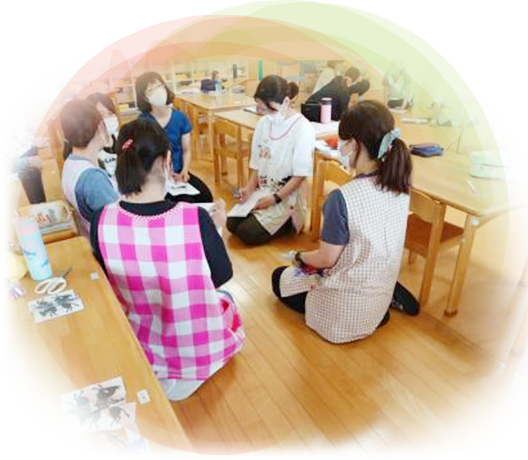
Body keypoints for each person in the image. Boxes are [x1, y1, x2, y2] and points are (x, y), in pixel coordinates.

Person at [91, 118, 244, 401]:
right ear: (166, 160)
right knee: (227, 301)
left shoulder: (102, 219)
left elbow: (108, 279)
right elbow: (220, 276)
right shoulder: (194, 217)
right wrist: (217, 228)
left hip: (142, 349)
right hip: (193, 354)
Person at [271, 100, 412, 344]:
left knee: (279, 277)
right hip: (377, 305)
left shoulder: (341, 198)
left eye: (342, 141)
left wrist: (300, 256)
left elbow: (326, 259)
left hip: (343, 315)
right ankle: (387, 296)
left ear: (354, 144)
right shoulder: (400, 184)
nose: (340, 147)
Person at [226, 75, 315, 246]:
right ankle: (268, 218)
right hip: (264, 190)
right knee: (231, 224)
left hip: (286, 196)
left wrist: (274, 199)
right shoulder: (263, 124)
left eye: (271, 110)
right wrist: (249, 188)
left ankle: (289, 221)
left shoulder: (303, 128)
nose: (266, 114)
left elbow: (299, 176)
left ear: (287, 101)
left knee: (246, 233)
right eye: (261, 109)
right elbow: (256, 163)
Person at [136, 72, 213, 203]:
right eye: (150, 90)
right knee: (187, 202)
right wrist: (163, 176)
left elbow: (186, 150)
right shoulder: (142, 123)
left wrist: (184, 172)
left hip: (179, 173)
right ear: (144, 98)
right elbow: (143, 157)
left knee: (206, 196)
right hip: (157, 178)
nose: (157, 92)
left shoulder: (180, 118)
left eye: (159, 86)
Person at [60, 100, 118, 236]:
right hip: (106, 242)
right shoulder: (93, 179)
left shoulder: (70, 162)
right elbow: (118, 224)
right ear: (100, 127)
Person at [302, 67, 370, 122]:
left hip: (306, 108)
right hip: (314, 111)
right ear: (354, 82)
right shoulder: (344, 93)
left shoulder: (335, 82)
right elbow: (344, 116)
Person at [86, 92, 120, 177]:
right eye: (101, 115)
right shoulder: (88, 148)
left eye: (110, 113)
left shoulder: (121, 138)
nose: (107, 118)